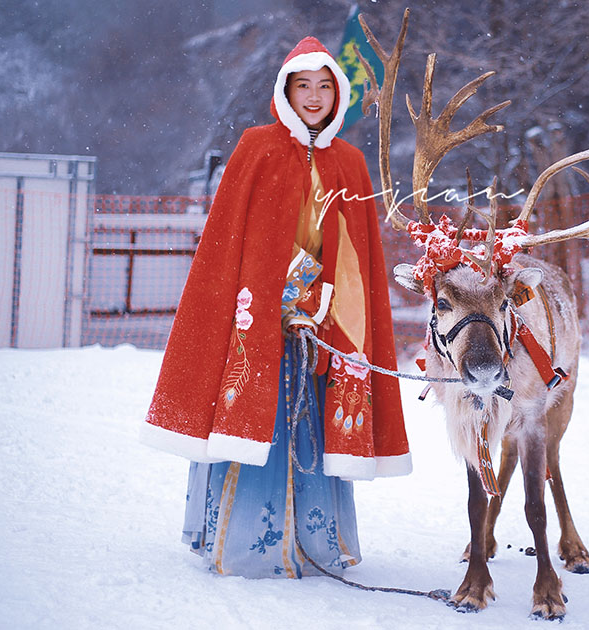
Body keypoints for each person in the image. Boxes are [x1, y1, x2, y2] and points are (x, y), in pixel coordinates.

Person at [140, 36, 411, 578]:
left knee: (310, 424)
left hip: (323, 323)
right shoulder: (256, 147)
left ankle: (312, 541)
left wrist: (318, 302)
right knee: (253, 417)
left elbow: (354, 255)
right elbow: (232, 244)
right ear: (285, 91)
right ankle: (246, 540)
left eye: (324, 86)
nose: (313, 96)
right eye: (302, 85)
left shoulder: (352, 162)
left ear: (339, 93)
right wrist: (273, 297)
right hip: (257, 317)